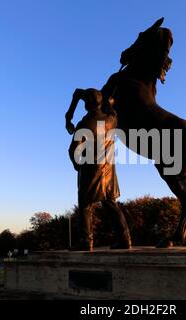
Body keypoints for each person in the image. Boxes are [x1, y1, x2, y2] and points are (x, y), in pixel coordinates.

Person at [67, 88, 131, 251]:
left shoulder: (84, 124)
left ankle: (86, 241)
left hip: (90, 169)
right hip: (109, 170)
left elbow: (73, 149)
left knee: (86, 206)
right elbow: (112, 108)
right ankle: (125, 239)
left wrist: (77, 166)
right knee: (110, 203)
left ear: (87, 105)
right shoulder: (112, 119)